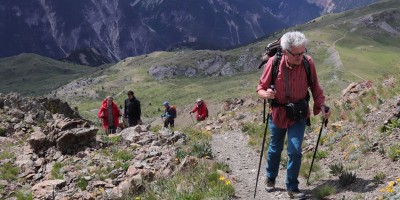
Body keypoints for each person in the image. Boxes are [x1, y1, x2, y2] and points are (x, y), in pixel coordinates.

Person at [256, 31, 331, 199]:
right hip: (278, 113)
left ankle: (292, 187)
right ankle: (270, 177)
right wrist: (265, 94)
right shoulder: (273, 63)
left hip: (299, 114)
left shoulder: (307, 63)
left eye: (303, 52)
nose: (300, 57)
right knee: (275, 149)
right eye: (296, 54)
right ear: (285, 51)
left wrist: (322, 105)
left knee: (295, 151)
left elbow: (316, 89)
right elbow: (260, 88)